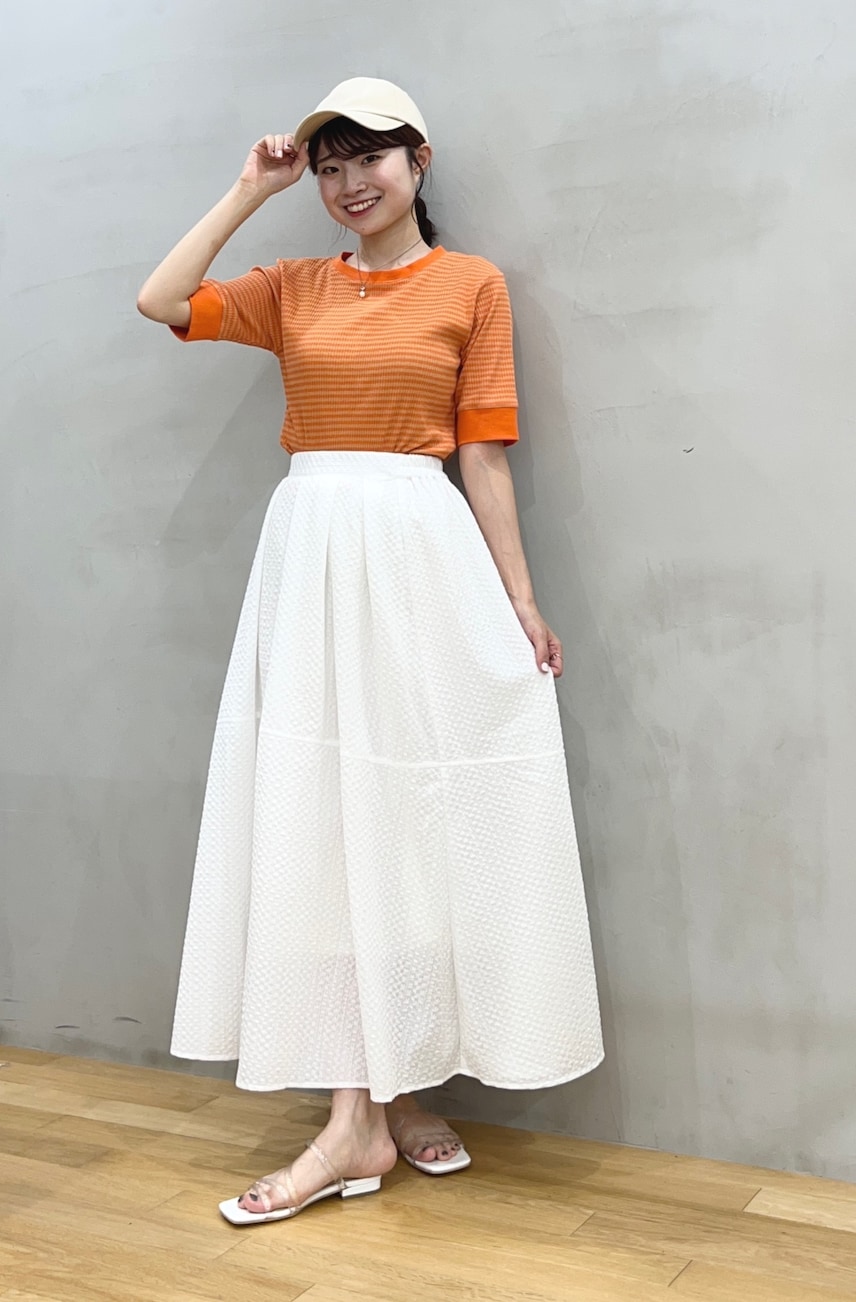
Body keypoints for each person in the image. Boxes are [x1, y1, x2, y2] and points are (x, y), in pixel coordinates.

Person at [136, 77, 604, 1226]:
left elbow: (482, 453)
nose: (349, 183)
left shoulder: (471, 285)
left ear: (418, 160)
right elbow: (161, 298)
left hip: (421, 560)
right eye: (330, 165)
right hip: (311, 561)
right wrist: (250, 190)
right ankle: (359, 1115)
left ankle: (384, 1100)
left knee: (412, 818)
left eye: (370, 158)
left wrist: (521, 601)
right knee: (327, 816)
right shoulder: (293, 286)